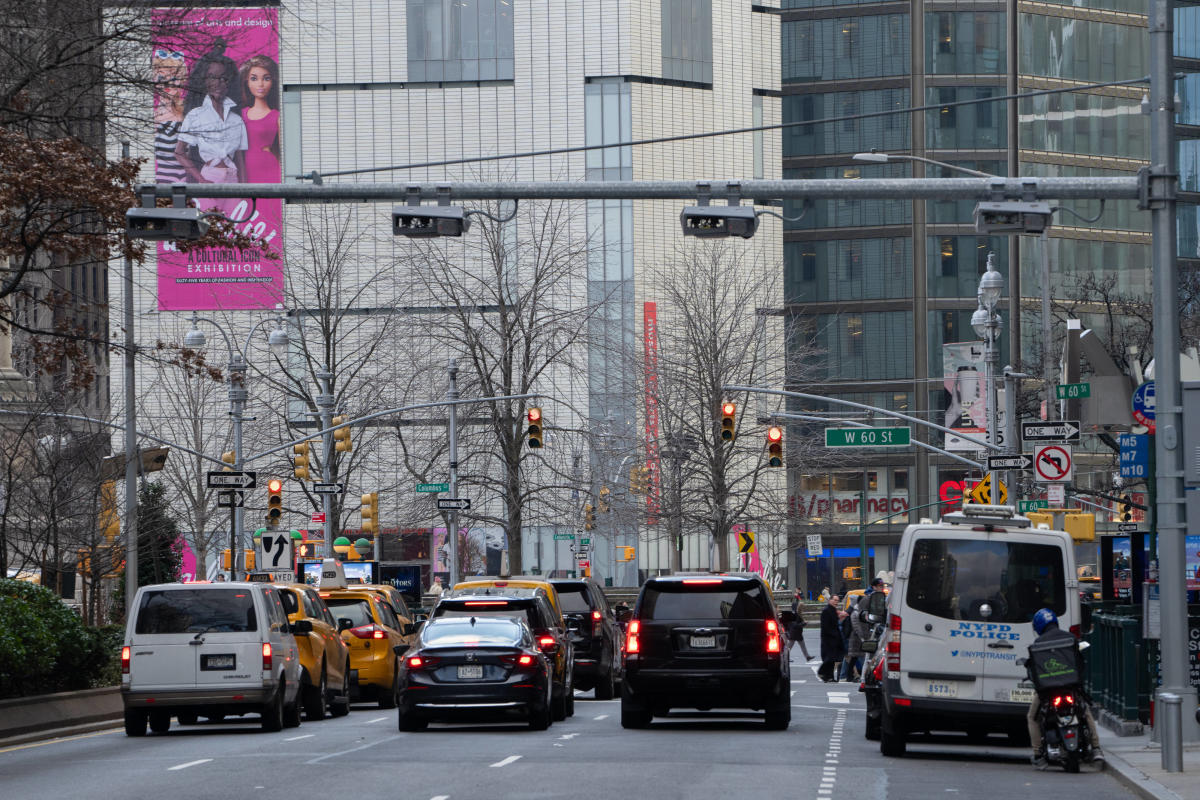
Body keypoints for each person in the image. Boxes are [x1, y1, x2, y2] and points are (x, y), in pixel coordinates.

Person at [1027, 608, 1102, 769]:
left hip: (1048, 691)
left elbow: (1035, 669)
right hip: (1071, 687)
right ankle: (1096, 748)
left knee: (1032, 717)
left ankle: (1038, 753)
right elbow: (1080, 662)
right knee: (1085, 711)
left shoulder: (1038, 643)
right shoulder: (1070, 638)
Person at [176, 40, 247, 202]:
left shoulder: (236, 120)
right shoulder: (195, 115)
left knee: (234, 226)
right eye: (212, 77)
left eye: (223, 78)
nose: (217, 83)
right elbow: (179, 152)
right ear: (204, 81)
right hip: (210, 177)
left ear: (229, 82)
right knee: (209, 225)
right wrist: (200, 179)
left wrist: (245, 191)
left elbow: (240, 159)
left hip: (233, 180)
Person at [238, 54, 281, 183]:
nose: (260, 84)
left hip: (269, 168)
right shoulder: (240, 115)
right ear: (247, 81)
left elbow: (284, 152)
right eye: (254, 79)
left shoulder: (276, 116)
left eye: (266, 78)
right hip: (244, 168)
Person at [818, 594, 847, 682]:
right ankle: (822, 672)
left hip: (834, 639)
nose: (836, 602)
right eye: (834, 600)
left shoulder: (833, 610)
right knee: (829, 658)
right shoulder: (826, 611)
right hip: (828, 639)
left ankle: (829, 677)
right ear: (830, 600)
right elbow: (825, 627)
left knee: (833, 659)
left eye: (837, 600)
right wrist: (833, 635)